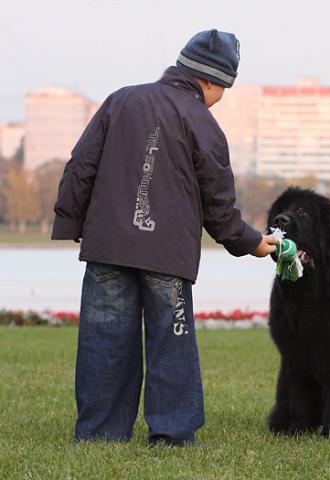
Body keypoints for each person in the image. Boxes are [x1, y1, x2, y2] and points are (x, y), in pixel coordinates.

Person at [51, 28, 277, 446]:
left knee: (105, 340)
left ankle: (100, 435)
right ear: (211, 81)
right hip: (166, 259)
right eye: (224, 88)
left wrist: (72, 224)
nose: (220, 97)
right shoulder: (204, 125)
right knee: (171, 345)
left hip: (108, 247)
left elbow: (81, 165)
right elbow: (218, 204)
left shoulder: (121, 99)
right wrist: (250, 242)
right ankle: (171, 435)